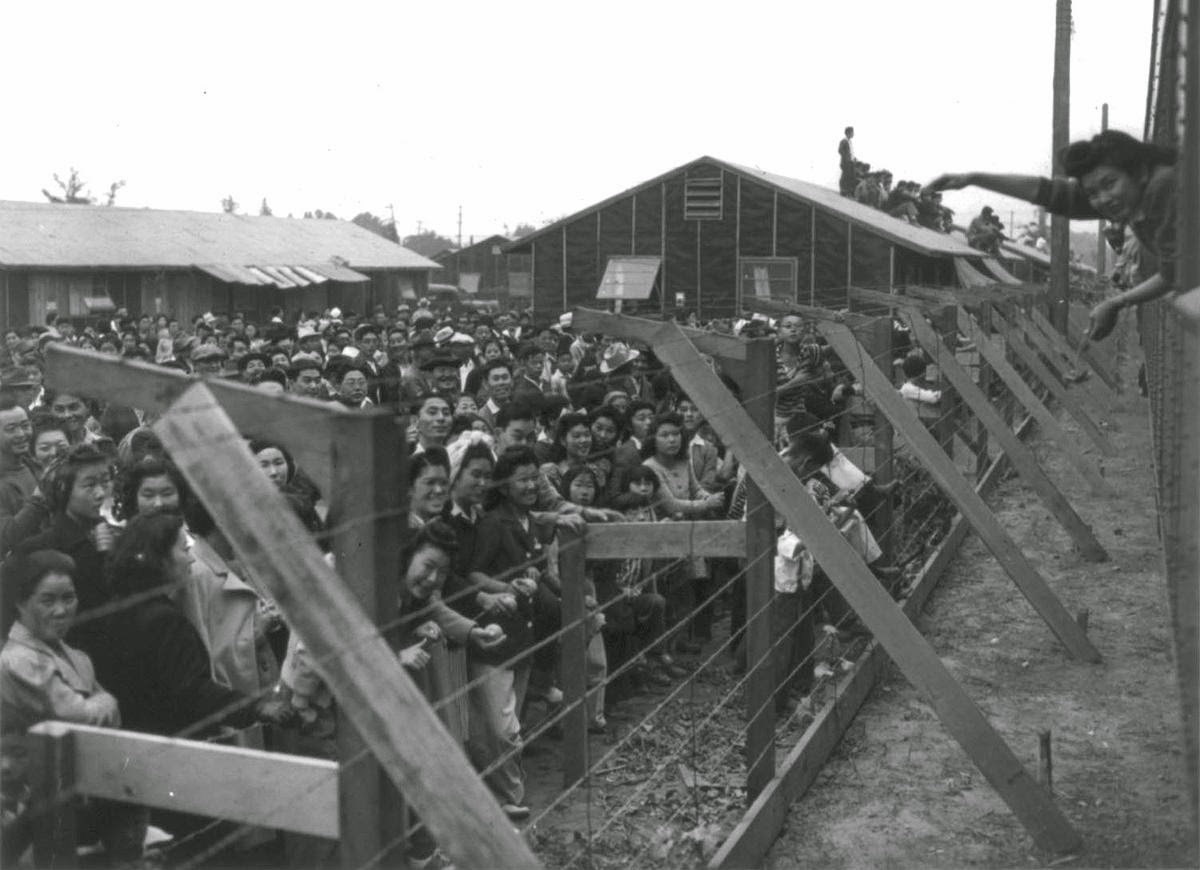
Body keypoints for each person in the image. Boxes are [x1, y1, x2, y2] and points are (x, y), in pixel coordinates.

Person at [927, 129, 1178, 340]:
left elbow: (1173, 273)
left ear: (1140, 172)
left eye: (1110, 183)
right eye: (1092, 193)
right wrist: (975, 178)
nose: (1102, 200)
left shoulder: (1162, 189)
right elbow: (1054, 194)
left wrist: (1116, 302)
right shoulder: (1137, 191)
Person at [0, 550, 143, 864]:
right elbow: (80, 716)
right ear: (20, 603)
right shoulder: (18, 661)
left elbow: (101, 714)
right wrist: (105, 701)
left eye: (69, 598)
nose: (62, 610)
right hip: (28, 809)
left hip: (73, 798)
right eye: (47, 600)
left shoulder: (71, 655)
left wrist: (101, 704)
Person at [838, 126, 856, 196]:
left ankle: (847, 191)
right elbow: (840, 150)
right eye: (852, 132)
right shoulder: (844, 141)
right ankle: (843, 190)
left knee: (850, 176)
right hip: (846, 162)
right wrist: (846, 158)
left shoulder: (850, 142)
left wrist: (853, 158)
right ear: (848, 133)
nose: (853, 134)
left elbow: (850, 152)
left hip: (850, 162)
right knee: (845, 176)